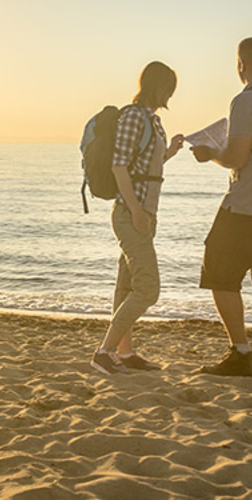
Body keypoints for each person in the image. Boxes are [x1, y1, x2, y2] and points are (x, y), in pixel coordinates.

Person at [91, 61, 184, 375]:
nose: (170, 95)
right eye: (168, 88)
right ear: (157, 86)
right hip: (132, 214)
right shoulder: (133, 116)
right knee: (148, 289)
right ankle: (104, 351)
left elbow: (145, 167)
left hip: (144, 213)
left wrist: (169, 151)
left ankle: (125, 353)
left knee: (127, 287)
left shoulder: (153, 121)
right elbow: (119, 166)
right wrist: (136, 211)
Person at [191, 38, 252, 377]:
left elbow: (237, 157)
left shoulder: (245, 102)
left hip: (244, 207)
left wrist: (210, 152)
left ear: (241, 64)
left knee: (221, 274)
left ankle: (241, 353)